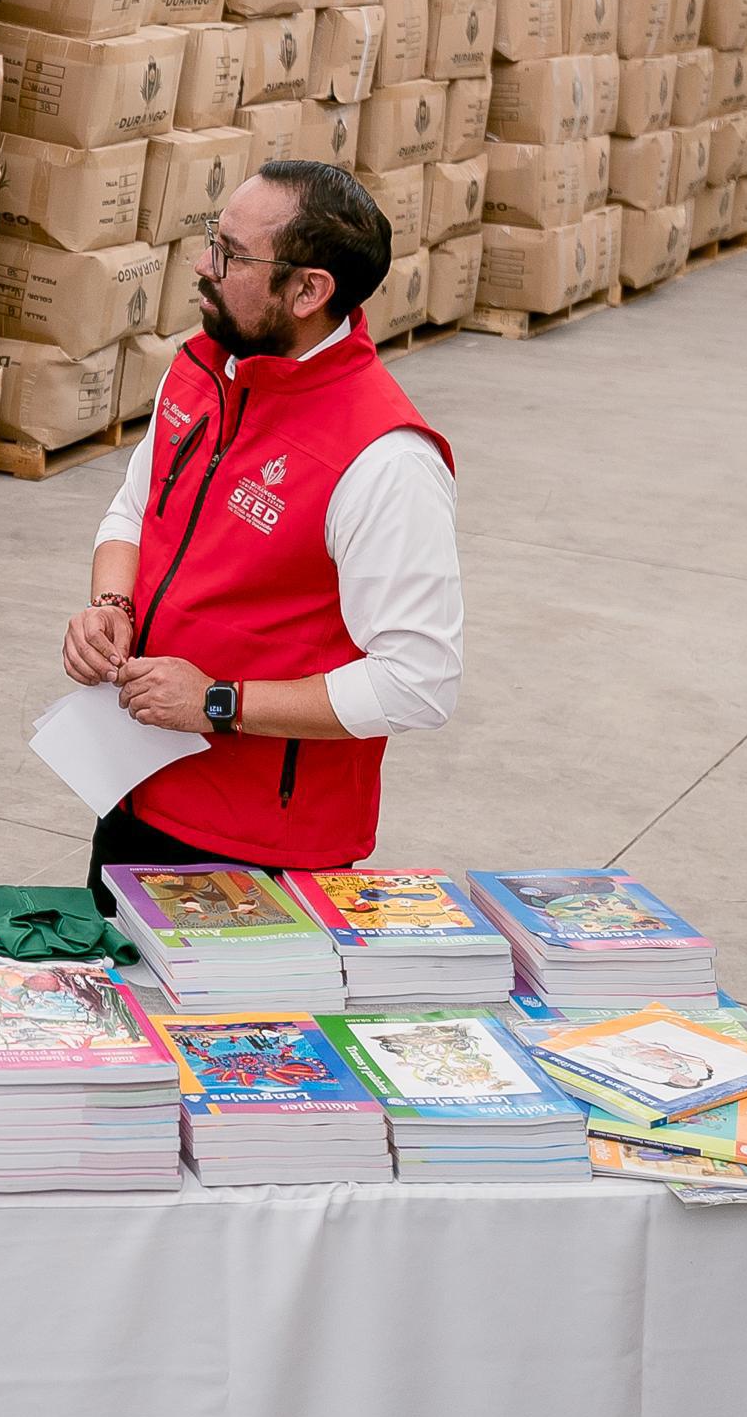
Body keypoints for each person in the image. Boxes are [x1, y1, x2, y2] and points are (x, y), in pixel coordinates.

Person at [57, 162, 460, 884]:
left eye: (232, 256)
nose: (204, 270)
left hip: (260, 846)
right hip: (135, 788)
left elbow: (418, 681)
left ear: (310, 289)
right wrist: (108, 605)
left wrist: (217, 702)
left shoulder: (384, 459)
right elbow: (133, 509)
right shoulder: (207, 367)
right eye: (213, 241)